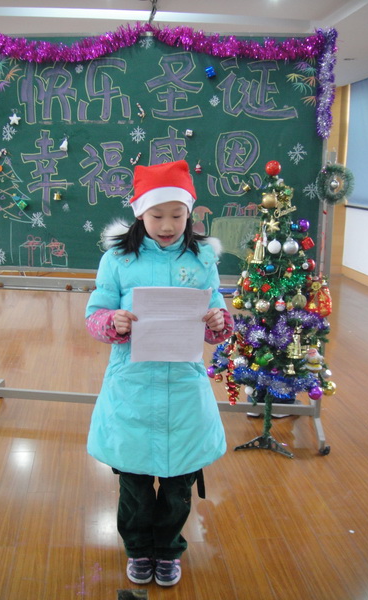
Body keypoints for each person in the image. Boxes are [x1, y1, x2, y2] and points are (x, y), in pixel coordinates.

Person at [85, 160, 234, 587]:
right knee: (133, 483)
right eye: (156, 215)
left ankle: (168, 550)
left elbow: (218, 317)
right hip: (131, 388)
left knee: (178, 485)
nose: (167, 225)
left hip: (184, 388)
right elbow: (95, 316)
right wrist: (114, 323)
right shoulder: (117, 259)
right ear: (139, 213)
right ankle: (138, 548)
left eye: (177, 215)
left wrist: (218, 323)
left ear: (190, 213)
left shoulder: (202, 258)